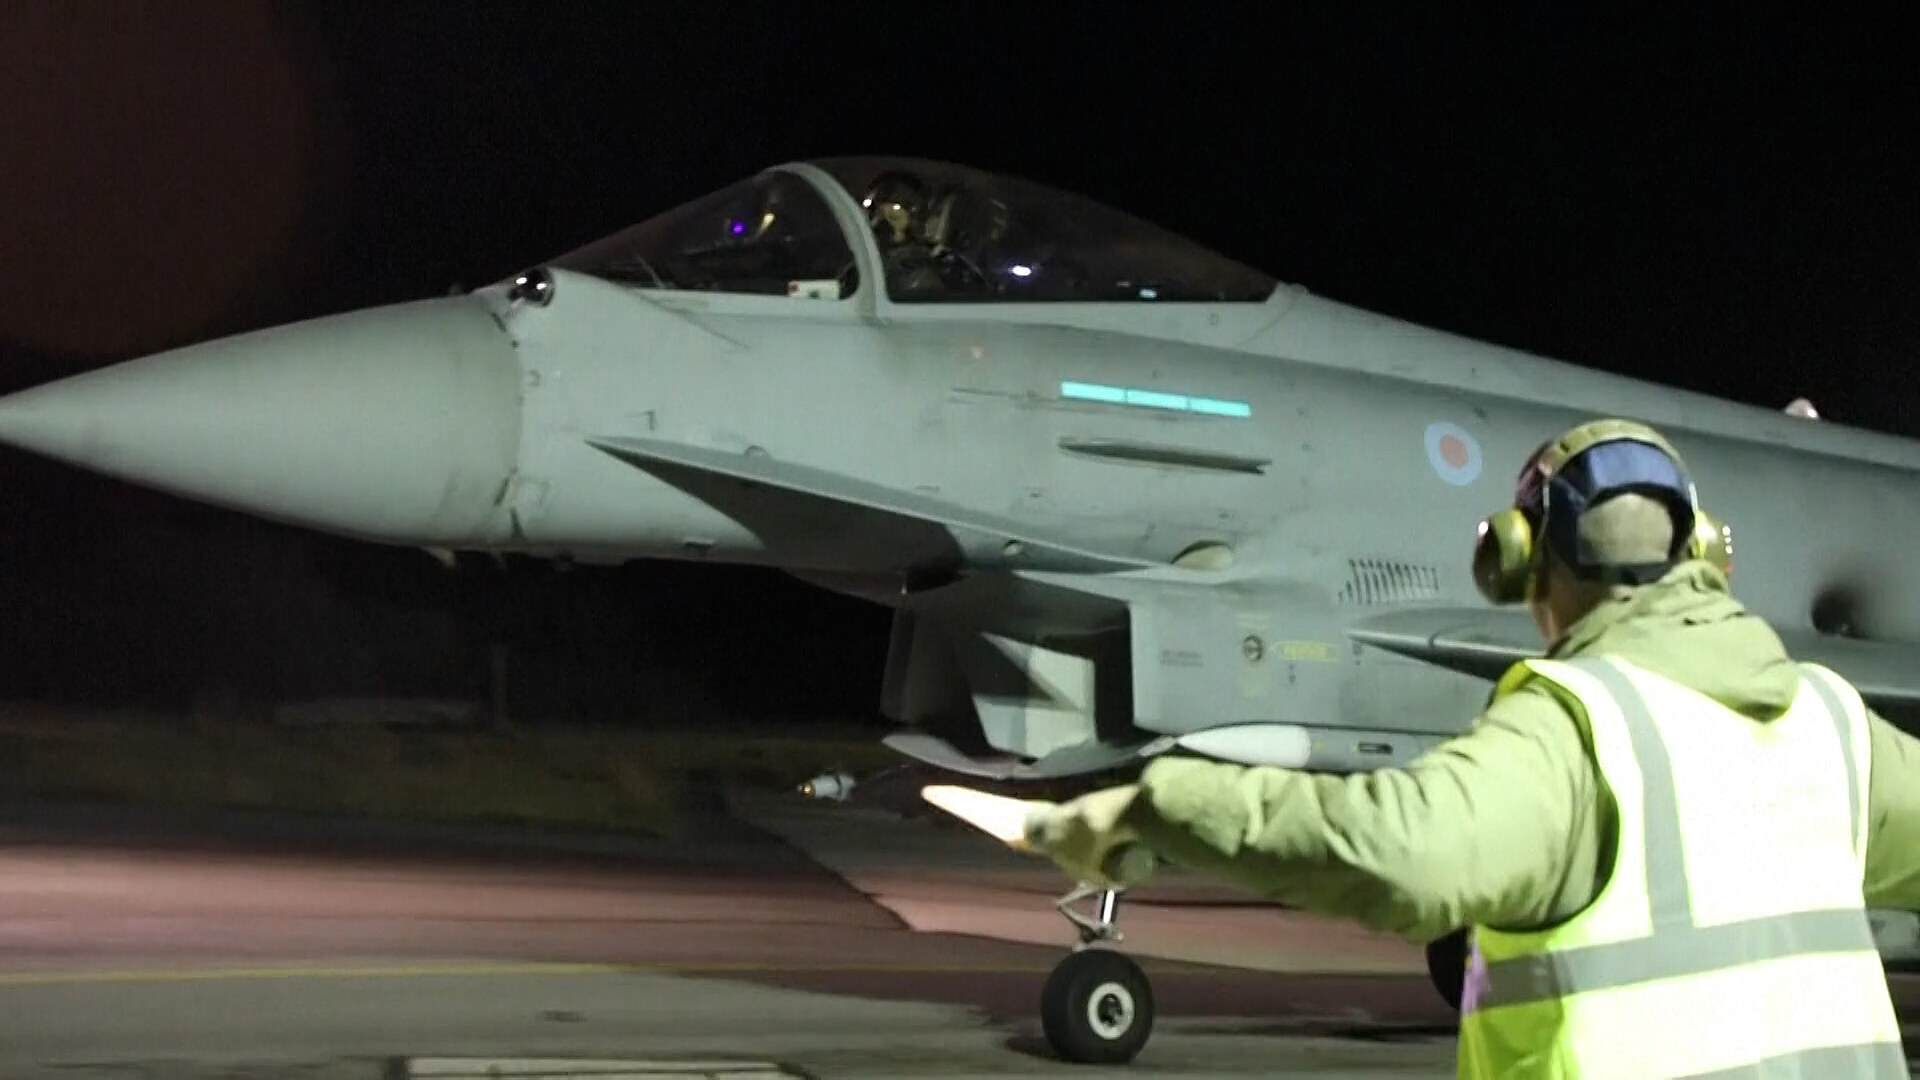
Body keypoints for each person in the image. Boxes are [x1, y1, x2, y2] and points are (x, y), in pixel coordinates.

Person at [1022, 417, 1919, 1078]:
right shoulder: (1832, 724)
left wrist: (1159, 806)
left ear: (1527, 565)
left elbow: (1399, 853)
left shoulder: (1575, 732)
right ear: (1705, 555)